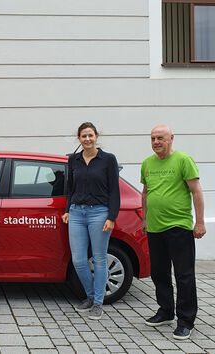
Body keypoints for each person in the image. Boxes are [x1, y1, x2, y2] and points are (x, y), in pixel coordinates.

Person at [140, 125, 206, 340]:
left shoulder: (183, 160)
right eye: (152, 138)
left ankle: (186, 321)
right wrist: (145, 219)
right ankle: (166, 311)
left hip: (179, 226)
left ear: (171, 139)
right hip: (155, 227)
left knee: (184, 275)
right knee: (159, 272)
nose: (156, 142)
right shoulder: (147, 163)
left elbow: (196, 191)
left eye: (160, 138)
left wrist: (200, 222)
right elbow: (146, 192)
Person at [62, 122, 120, 320]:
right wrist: (68, 210)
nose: (87, 139)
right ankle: (90, 295)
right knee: (78, 260)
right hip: (77, 213)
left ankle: (97, 302)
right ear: (78, 138)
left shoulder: (108, 160)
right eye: (83, 136)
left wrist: (112, 217)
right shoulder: (74, 160)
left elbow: (114, 191)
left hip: (99, 213)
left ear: (96, 136)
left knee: (99, 258)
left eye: (90, 135)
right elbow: (70, 188)